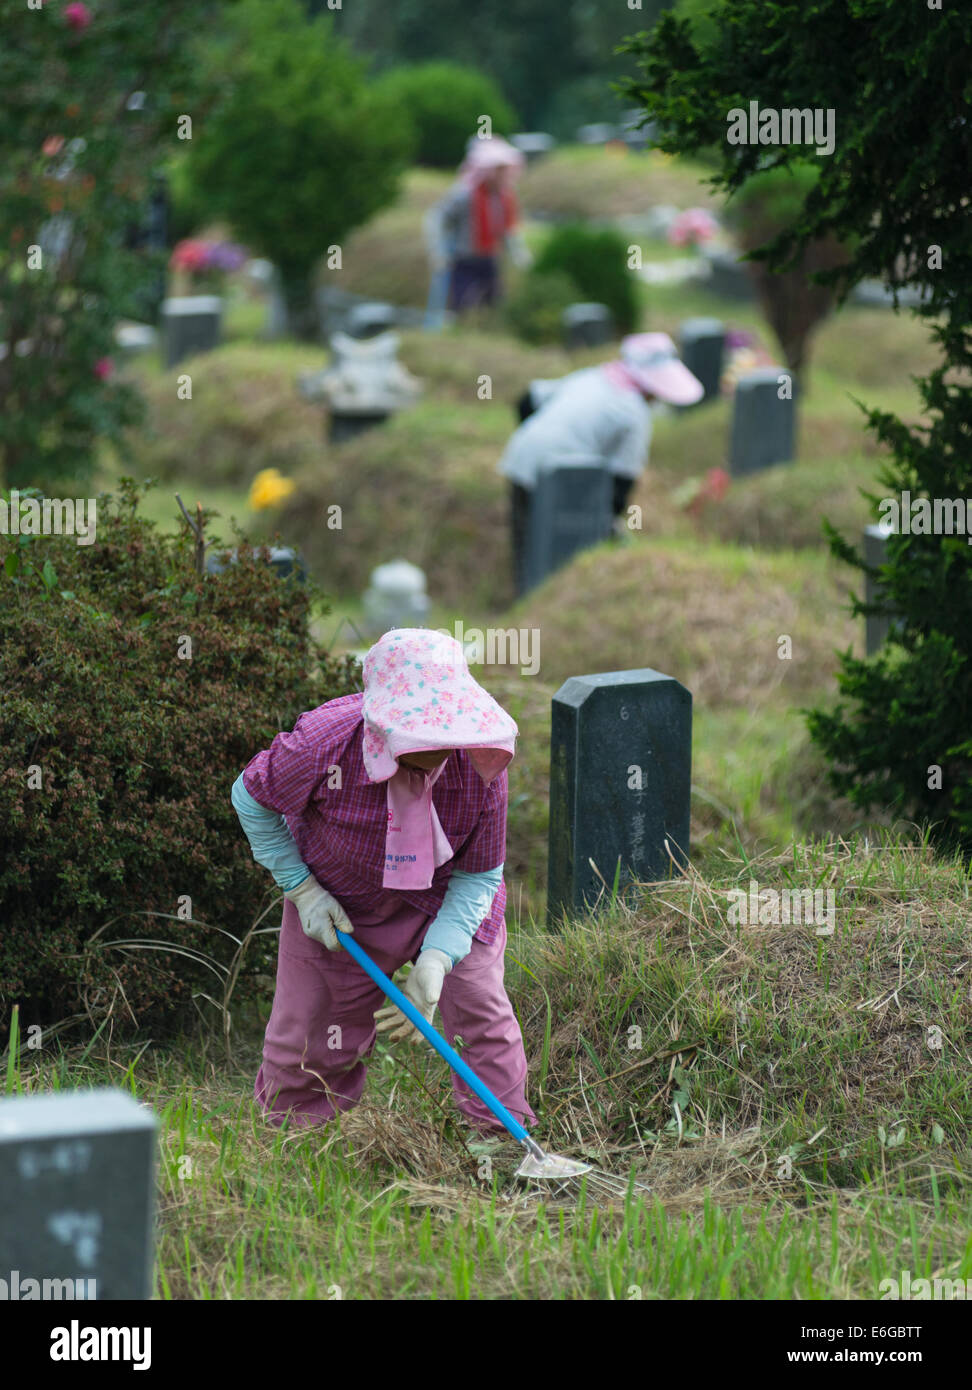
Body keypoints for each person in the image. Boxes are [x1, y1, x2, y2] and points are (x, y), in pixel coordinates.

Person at [231, 628, 537, 1139]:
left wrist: (439, 957)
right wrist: (302, 890)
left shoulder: (482, 760)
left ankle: (501, 1143)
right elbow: (252, 798)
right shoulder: (323, 741)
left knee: (482, 1012)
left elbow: (480, 872)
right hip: (339, 898)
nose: (437, 749)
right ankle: (299, 1137)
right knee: (310, 1032)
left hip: (446, 899)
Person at [498, 333, 705, 593]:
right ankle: (549, 603)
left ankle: (525, 605)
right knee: (560, 552)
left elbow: (527, 400)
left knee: (528, 543)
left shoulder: (592, 377)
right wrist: (606, 521)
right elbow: (623, 480)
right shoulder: (634, 413)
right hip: (565, 475)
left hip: (522, 456)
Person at [424, 136, 530, 321]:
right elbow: (437, 217)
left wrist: (519, 254)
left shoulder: (504, 197)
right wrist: (438, 251)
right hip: (464, 259)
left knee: (494, 304)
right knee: (463, 306)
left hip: (489, 258)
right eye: (499, 170)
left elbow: (507, 230)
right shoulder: (464, 194)